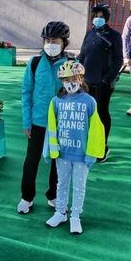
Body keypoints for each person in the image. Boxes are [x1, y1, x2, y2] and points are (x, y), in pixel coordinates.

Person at [18, 21, 74, 215]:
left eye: (55, 40)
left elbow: (77, 93)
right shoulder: (34, 64)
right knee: (31, 161)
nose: (50, 44)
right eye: (47, 40)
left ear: (64, 42)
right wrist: (27, 122)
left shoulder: (71, 65)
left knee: (58, 161)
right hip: (38, 122)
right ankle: (27, 197)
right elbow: (26, 93)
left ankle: (53, 195)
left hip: (61, 124)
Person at [43, 61, 105, 235]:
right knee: (61, 184)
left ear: (80, 79)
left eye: (73, 78)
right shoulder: (56, 101)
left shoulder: (89, 102)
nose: (70, 82)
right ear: (61, 81)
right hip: (62, 154)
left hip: (81, 156)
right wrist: (49, 151)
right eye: (65, 79)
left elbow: (96, 130)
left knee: (79, 186)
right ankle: (60, 212)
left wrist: (92, 154)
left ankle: (75, 216)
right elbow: (51, 128)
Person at [78, 3, 123, 162]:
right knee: (87, 114)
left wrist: (107, 79)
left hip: (103, 83)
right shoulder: (89, 34)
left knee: (101, 113)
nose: (98, 19)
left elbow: (118, 60)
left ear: (106, 19)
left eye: (101, 17)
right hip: (86, 82)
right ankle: (90, 144)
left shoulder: (114, 36)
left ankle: (102, 146)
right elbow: (82, 56)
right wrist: (77, 73)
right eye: (96, 16)